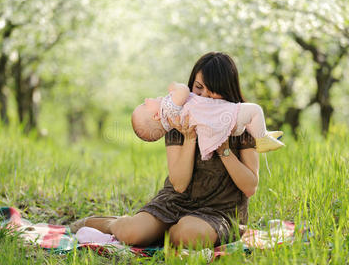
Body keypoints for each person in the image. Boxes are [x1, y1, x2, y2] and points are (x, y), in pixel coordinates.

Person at [71, 52, 265, 247]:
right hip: (175, 202)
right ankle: (108, 223)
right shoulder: (177, 120)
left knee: (186, 235)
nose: (203, 96)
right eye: (198, 88)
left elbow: (250, 187)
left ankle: (163, 233)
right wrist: (190, 138)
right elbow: (179, 184)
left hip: (220, 210)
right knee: (132, 233)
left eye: (212, 91)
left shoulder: (242, 124)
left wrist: (224, 150)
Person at [131, 81, 284, 160]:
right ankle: (262, 139)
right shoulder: (168, 109)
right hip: (223, 118)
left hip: (221, 125)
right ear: (156, 116)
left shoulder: (172, 121)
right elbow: (184, 91)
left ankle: (264, 135)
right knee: (255, 110)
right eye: (145, 104)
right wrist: (174, 86)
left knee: (248, 118)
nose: (146, 99)